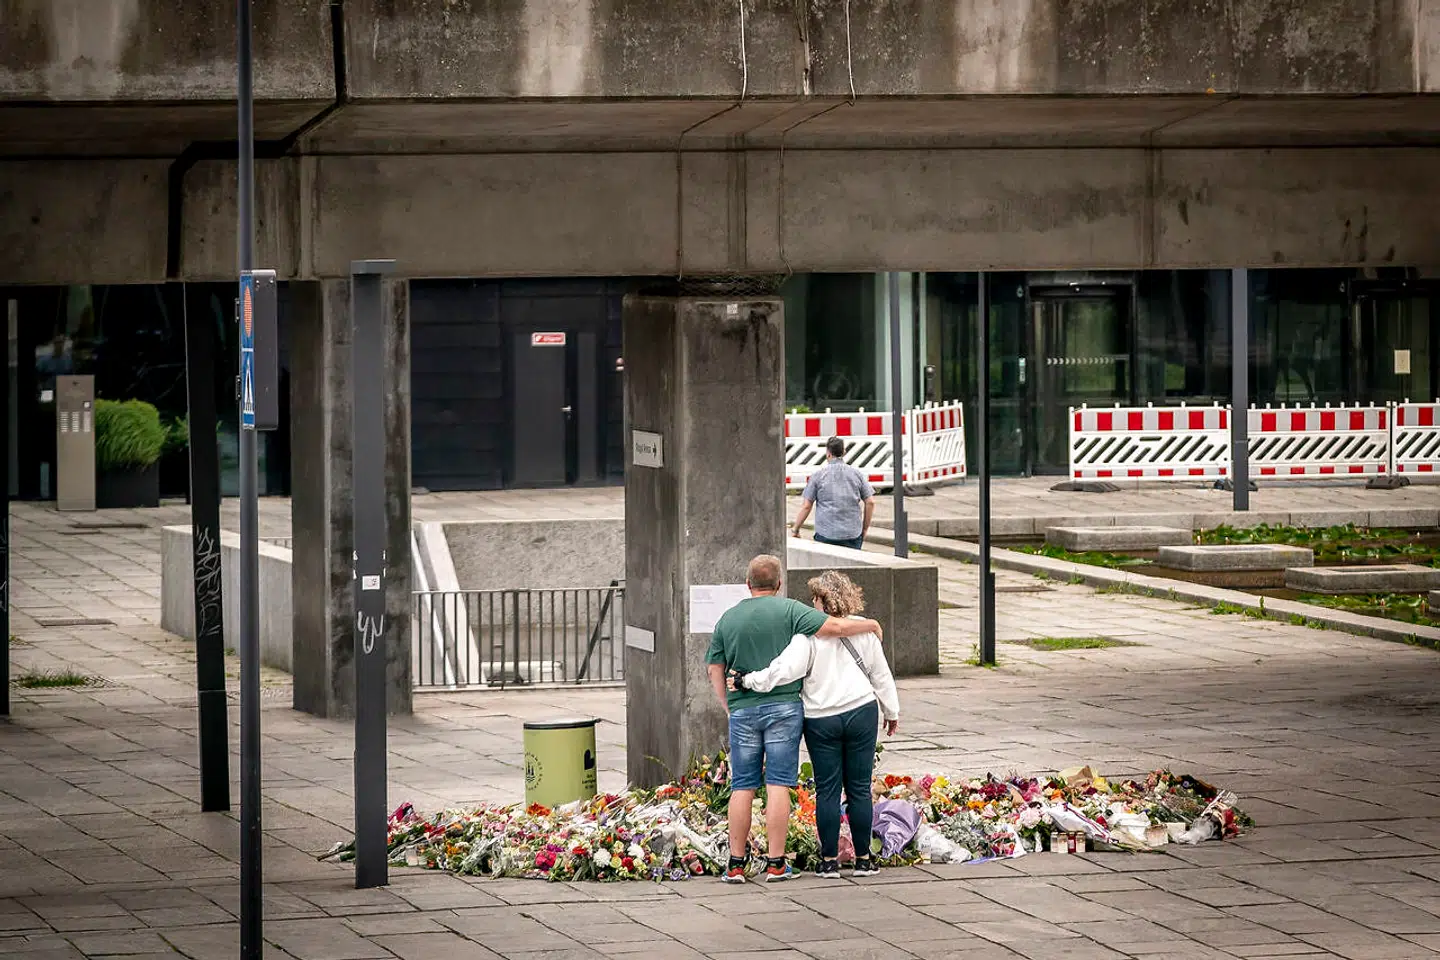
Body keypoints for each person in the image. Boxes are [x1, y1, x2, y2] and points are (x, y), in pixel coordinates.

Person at [706, 555, 884, 884]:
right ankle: (776, 863)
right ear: (778, 585)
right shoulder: (790, 610)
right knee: (778, 784)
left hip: (743, 710)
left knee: (742, 785)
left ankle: (735, 864)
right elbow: (836, 626)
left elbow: (714, 669)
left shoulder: (727, 619)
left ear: (748, 584)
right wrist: (871, 625)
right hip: (785, 710)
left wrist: (728, 704)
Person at [792, 436, 875, 549]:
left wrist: (796, 529)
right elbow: (870, 502)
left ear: (828, 453)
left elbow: (806, 506)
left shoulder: (818, 476)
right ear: (844, 452)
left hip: (826, 534)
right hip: (852, 535)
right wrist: (864, 529)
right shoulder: (857, 475)